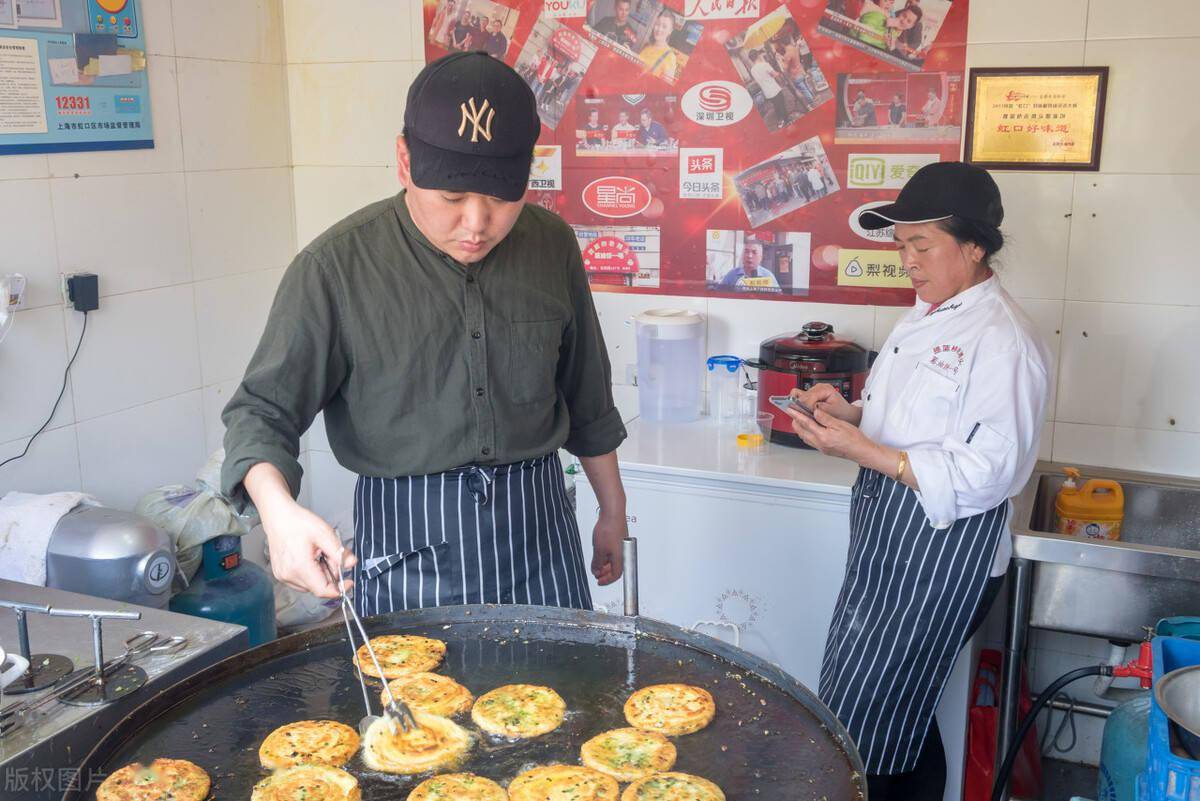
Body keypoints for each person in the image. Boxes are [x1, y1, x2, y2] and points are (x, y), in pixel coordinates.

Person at [221, 52, 630, 617]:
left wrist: (613, 509)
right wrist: (278, 513)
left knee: (566, 702)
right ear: (404, 161)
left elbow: (587, 396)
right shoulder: (335, 267)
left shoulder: (551, 244)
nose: (477, 224)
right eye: (453, 198)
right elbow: (260, 414)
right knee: (411, 708)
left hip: (540, 538)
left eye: (501, 198)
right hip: (408, 550)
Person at [782, 162, 1051, 801]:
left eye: (921, 245)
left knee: (871, 716)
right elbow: (918, 422)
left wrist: (864, 450)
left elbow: (990, 472)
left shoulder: (1002, 339)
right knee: (886, 710)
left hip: (940, 553)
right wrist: (849, 415)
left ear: (975, 244)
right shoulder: (930, 314)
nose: (907, 261)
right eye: (901, 245)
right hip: (889, 540)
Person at [748, 50, 787, 127]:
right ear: (758, 55)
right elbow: (775, 75)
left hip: (767, 92)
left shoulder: (752, 70)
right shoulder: (764, 65)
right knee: (781, 105)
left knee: (776, 106)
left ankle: (781, 121)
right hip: (774, 89)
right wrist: (778, 72)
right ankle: (785, 120)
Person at [639, 10, 679, 80]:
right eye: (657, 24)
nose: (659, 29)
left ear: (670, 31)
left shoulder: (670, 57)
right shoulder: (647, 46)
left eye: (664, 27)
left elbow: (664, 88)